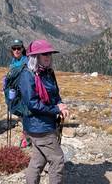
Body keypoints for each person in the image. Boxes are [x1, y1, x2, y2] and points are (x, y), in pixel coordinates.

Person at [19, 39, 69, 184]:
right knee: (58, 160)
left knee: (37, 161)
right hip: (38, 126)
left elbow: (55, 94)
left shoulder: (48, 72)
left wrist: (61, 104)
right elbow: (33, 104)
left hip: (44, 124)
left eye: (49, 53)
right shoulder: (27, 76)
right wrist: (55, 109)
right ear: (35, 57)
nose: (48, 56)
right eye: (44, 54)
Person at [4, 39, 29, 148]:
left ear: (23, 49)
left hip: (24, 92)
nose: (16, 50)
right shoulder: (13, 62)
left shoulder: (27, 61)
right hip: (14, 92)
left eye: (19, 48)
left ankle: (26, 138)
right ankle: (27, 135)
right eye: (14, 48)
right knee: (19, 113)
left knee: (25, 114)